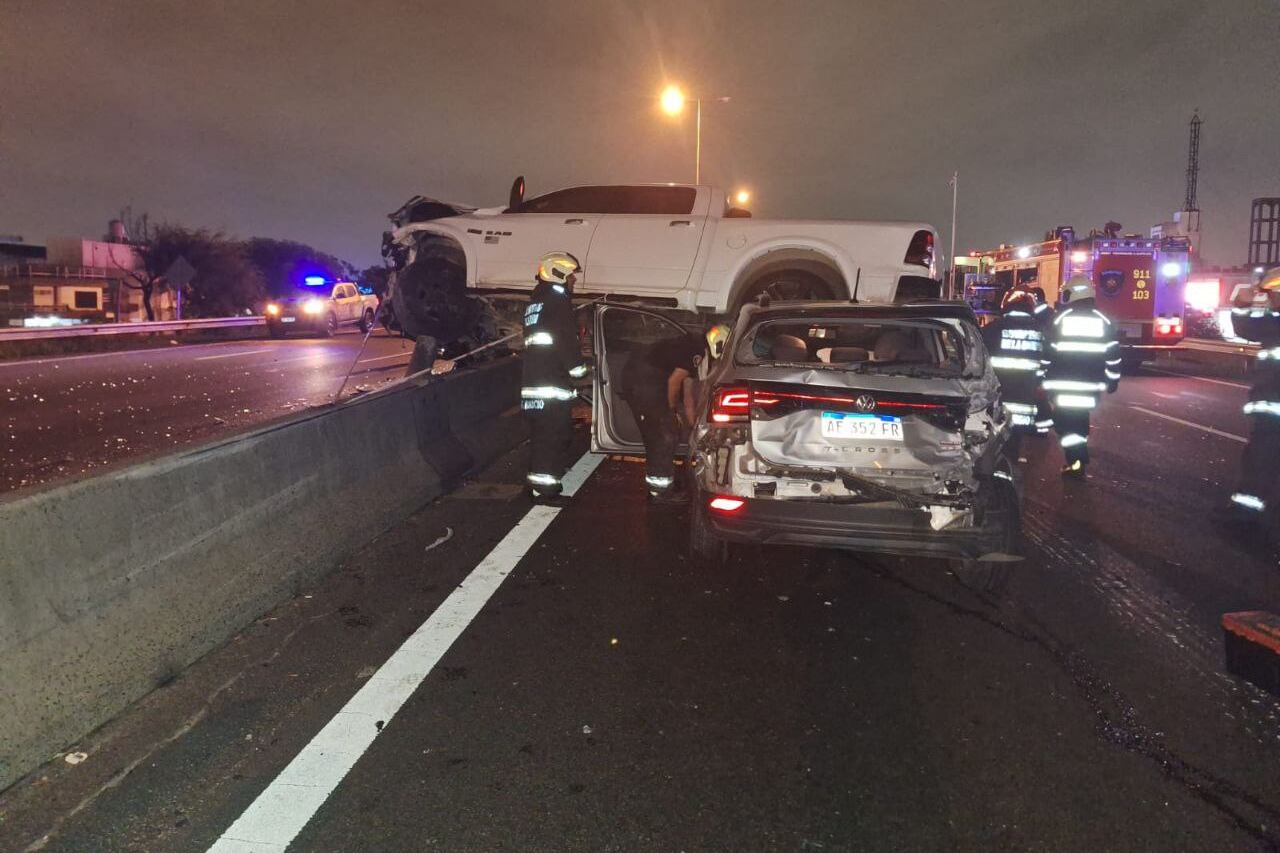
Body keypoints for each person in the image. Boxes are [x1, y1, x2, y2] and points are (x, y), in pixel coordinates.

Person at [616, 326, 715, 503]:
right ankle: (660, 493)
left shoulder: (692, 346)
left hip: (645, 378)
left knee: (666, 433)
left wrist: (694, 426)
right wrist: (671, 411)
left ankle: (663, 482)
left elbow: (687, 393)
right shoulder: (696, 351)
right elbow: (674, 382)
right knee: (664, 437)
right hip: (643, 382)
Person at [521, 251, 589, 500]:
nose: (574, 280)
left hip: (534, 384)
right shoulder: (558, 302)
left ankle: (536, 483)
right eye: (570, 276)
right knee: (554, 437)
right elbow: (565, 341)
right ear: (557, 274)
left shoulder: (535, 303)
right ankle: (545, 488)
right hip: (551, 385)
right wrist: (580, 371)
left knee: (542, 437)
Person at [1044, 275, 1120, 476]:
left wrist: (1041, 376)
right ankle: (1078, 459)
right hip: (1090, 387)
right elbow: (1113, 355)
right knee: (1079, 420)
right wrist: (1113, 380)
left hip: (1063, 386)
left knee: (1065, 424)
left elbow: (1048, 353)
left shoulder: (1060, 320)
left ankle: (1077, 461)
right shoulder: (1103, 321)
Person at [1228, 267, 1280, 522]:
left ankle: (1245, 515)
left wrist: (1241, 303)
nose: (1270, 298)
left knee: (1260, 460)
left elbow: (1245, 326)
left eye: (1272, 294)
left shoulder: (1274, 323)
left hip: (1272, 408)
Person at [982, 288, 1053, 437]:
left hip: (999, 407)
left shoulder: (991, 330)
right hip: (1030, 406)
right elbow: (1049, 362)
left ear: (1006, 304)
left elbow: (978, 360)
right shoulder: (1042, 331)